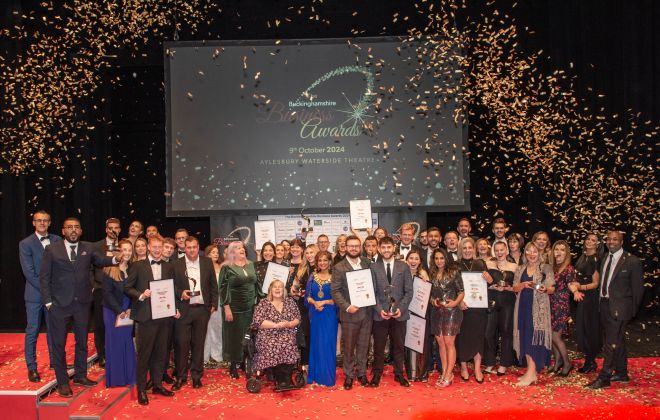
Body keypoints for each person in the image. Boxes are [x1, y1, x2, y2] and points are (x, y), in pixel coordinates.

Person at [40, 217, 117, 397]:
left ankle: (80, 375)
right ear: (63, 231)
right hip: (59, 305)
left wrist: (116, 259)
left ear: (81, 231)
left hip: (82, 303)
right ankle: (63, 382)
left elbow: (101, 260)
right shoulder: (52, 249)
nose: (73, 230)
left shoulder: (88, 248)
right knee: (59, 344)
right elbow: (44, 278)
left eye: (76, 227)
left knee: (82, 341)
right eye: (69, 227)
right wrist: (48, 302)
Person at [586, 230, 644, 389]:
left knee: (611, 342)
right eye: (609, 239)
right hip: (604, 305)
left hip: (620, 309)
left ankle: (604, 377)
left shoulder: (632, 261)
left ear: (622, 242)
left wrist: (631, 312)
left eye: (615, 239)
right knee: (617, 340)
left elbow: (638, 289)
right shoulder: (605, 257)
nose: (611, 242)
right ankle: (621, 372)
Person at [124, 235, 176, 405]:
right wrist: (141, 294)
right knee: (144, 354)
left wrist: (174, 307)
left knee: (161, 353)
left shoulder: (168, 266)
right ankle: (141, 389)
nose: (157, 250)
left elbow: (172, 289)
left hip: (164, 316)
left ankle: (157, 385)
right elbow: (127, 287)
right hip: (146, 317)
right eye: (154, 247)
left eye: (160, 247)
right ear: (148, 247)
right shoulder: (137, 266)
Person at [19, 210, 61, 382]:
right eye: (39, 220)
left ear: (49, 222)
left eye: (45, 220)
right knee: (33, 330)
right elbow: (29, 273)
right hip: (35, 295)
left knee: (54, 330)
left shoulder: (58, 240)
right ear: (33, 223)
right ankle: (32, 368)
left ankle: (55, 362)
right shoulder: (25, 243)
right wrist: (46, 291)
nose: (42, 223)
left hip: (54, 294)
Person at [171, 237, 218, 390]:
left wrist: (213, 305)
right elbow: (171, 285)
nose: (191, 250)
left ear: (198, 248)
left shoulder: (207, 262)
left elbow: (213, 285)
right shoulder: (175, 264)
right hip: (183, 309)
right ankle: (181, 377)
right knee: (181, 344)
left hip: (202, 310)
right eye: (189, 247)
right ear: (184, 248)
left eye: (194, 247)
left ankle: (197, 376)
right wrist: (180, 293)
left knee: (198, 344)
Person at [370, 236, 414, 388]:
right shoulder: (373, 267)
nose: (386, 250)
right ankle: (377, 373)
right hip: (380, 314)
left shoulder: (404, 267)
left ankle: (399, 373)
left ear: (394, 248)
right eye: (383, 247)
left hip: (399, 314)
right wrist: (379, 309)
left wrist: (400, 309)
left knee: (399, 346)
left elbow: (409, 291)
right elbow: (372, 292)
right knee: (379, 346)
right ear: (379, 249)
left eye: (389, 247)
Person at [330, 235, 373, 390]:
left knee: (363, 346)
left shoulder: (367, 263)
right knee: (348, 347)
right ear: (346, 247)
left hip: (366, 313)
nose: (354, 248)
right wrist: (347, 307)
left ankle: (361, 373)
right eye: (351, 246)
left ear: (360, 247)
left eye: (356, 246)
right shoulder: (339, 267)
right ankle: (348, 375)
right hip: (349, 314)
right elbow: (335, 291)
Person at [512, 243, 555, 386]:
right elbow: (514, 288)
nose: (531, 254)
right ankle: (530, 372)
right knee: (525, 337)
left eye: (534, 251)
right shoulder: (520, 268)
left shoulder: (545, 268)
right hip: (522, 307)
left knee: (533, 338)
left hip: (538, 309)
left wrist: (544, 288)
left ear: (539, 252)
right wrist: (523, 284)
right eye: (529, 251)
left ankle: (531, 373)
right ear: (525, 253)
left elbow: (552, 288)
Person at [219, 241, 260, 379]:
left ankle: (244, 361)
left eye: (242, 247)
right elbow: (222, 289)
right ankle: (232, 364)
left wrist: (260, 302)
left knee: (247, 335)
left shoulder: (251, 265)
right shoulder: (226, 267)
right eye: (237, 248)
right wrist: (226, 307)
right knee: (233, 336)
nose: (242, 249)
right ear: (232, 252)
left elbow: (257, 284)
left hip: (250, 307)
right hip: (233, 308)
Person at [251, 280, 301, 391]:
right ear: (270, 290)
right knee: (274, 344)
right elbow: (257, 322)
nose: (277, 289)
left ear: (284, 290)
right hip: (267, 334)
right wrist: (275, 325)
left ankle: (286, 377)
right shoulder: (263, 303)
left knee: (288, 342)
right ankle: (280, 378)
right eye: (275, 287)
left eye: (280, 287)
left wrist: (289, 324)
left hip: (287, 332)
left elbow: (298, 319)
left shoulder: (290, 302)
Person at [102, 239, 136, 387]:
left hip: (129, 310)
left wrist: (130, 308)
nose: (127, 253)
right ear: (118, 251)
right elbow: (107, 293)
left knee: (127, 341)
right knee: (114, 343)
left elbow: (136, 290)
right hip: (112, 311)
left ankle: (129, 376)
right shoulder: (109, 269)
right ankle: (116, 378)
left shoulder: (134, 268)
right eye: (124, 250)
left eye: (129, 250)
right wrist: (119, 310)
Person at [429, 248, 464, 387]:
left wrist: (455, 303)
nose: (439, 261)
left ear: (446, 259)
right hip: (437, 312)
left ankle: (449, 374)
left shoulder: (454, 272)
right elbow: (430, 295)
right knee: (441, 343)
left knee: (449, 343)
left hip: (452, 312)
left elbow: (461, 292)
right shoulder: (432, 274)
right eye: (436, 258)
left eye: (441, 258)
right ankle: (444, 372)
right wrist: (433, 301)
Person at [455, 237, 488, 383]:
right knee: (462, 337)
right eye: (464, 248)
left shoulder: (480, 263)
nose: (467, 250)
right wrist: (459, 302)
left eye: (470, 247)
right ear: (460, 250)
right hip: (462, 307)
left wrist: (489, 279)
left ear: (473, 249)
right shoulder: (455, 265)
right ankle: (463, 367)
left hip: (478, 307)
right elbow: (452, 286)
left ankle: (477, 368)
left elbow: (488, 284)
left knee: (478, 336)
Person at [91, 217, 122, 369]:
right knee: (100, 323)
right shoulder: (96, 246)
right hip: (101, 288)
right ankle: (102, 355)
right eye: (110, 228)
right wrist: (93, 285)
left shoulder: (124, 245)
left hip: (119, 289)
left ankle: (116, 352)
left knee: (119, 322)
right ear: (106, 230)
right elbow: (89, 267)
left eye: (116, 228)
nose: (113, 230)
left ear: (119, 230)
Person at [482, 242, 517, 376]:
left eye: (502, 250)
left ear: (506, 250)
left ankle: (504, 364)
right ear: (493, 251)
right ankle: (490, 362)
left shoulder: (514, 266)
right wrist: (490, 285)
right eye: (496, 250)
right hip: (491, 300)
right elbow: (481, 283)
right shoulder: (488, 264)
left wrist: (508, 287)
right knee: (488, 332)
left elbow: (517, 286)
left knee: (506, 332)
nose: (499, 252)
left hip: (508, 301)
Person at [569, 233, 601, 373]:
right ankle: (589, 361)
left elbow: (596, 283)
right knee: (582, 328)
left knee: (590, 329)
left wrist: (580, 287)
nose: (589, 241)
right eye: (588, 238)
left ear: (598, 244)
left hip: (590, 298)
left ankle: (590, 362)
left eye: (593, 240)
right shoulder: (583, 257)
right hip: (581, 297)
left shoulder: (596, 259)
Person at [305, 251, 338, 386]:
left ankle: (327, 377)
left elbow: (339, 299)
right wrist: (314, 303)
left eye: (325, 260)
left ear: (330, 262)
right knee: (316, 343)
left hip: (329, 314)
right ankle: (316, 376)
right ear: (317, 262)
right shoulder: (312, 277)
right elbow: (307, 296)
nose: (322, 263)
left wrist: (323, 302)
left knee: (328, 343)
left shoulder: (335, 277)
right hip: (316, 314)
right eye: (320, 260)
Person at [548, 240, 575, 376]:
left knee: (556, 336)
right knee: (551, 336)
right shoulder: (551, 267)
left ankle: (567, 363)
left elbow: (571, 284)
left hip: (560, 305)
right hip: (550, 303)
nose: (559, 252)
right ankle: (558, 362)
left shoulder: (568, 268)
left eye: (562, 250)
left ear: (566, 253)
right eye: (556, 249)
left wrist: (576, 291)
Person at [405, 249, 431, 382]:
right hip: (406, 312)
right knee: (409, 342)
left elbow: (427, 294)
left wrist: (425, 280)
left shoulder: (423, 275)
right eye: (411, 258)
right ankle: (412, 372)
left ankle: (422, 372)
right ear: (406, 260)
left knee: (422, 342)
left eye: (416, 258)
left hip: (421, 312)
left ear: (420, 261)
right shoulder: (402, 274)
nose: (413, 261)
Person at [285, 239, 311, 369]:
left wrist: (300, 292)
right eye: (292, 247)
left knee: (305, 333)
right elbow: (277, 284)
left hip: (303, 305)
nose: (295, 249)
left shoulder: (307, 266)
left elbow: (310, 285)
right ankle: (290, 363)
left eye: (298, 247)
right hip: (287, 304)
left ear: (302, 249)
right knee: (288, 333)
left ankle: (304, 363)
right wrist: (287, 288)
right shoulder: (285, 264)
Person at [202, 244, 223, 367]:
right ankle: (204, 356)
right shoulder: (203, 267)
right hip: (207, 301)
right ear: (207, 254)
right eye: (212, 252)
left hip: (220, 301)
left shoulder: (222, 266)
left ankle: (217, 355)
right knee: (205, 328)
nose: (215, 254)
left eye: (217, 252)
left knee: (217, 327)